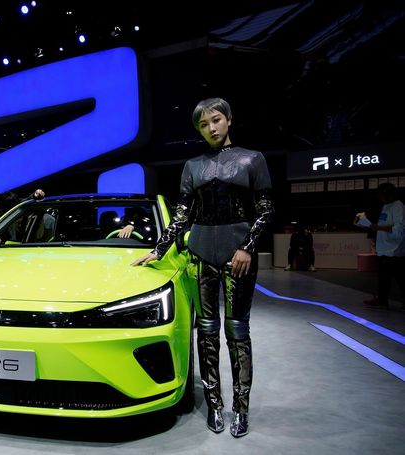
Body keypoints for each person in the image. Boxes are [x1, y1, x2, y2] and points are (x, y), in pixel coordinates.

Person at [132, 97, 274, 438]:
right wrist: (159, 248)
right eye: (203, 125)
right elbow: (183, 213)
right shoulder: (193, 165)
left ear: (228, 120)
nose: (210, 128)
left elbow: (265, 207)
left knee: (237, 332)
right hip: (200, 256)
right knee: (206, 332)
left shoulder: (252, 159)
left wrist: (247, 247)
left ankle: (241, 409)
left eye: (215, 120)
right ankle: (215, 406)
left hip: (238, 257)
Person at [355, 182, 404, 309]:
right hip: (384, 249)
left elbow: (399, 229)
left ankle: (384, 300)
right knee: (383, 278)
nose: (380, 198)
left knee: (400, 278)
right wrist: (367, 225)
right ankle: (382, 300)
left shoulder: (398, 207)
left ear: (388, 194)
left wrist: (376, 227)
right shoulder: (385, 206)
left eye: (382, 195)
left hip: (395, 250)